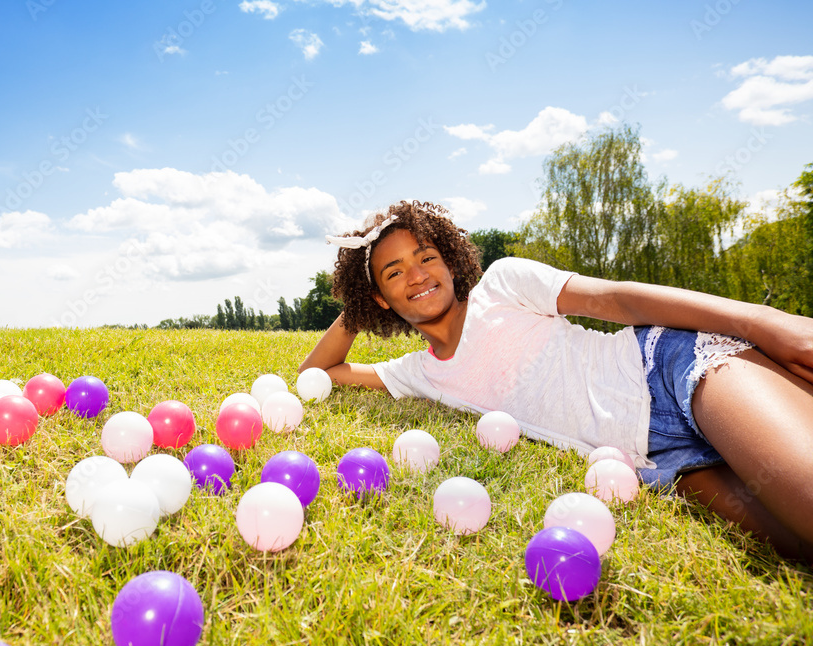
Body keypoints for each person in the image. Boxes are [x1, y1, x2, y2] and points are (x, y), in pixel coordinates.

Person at [299, 200, 813, 562]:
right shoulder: (418, 373)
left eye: (426, 256)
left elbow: (616, 301)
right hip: (663, 464)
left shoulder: (501, 284)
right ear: (381, 298)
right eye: (394, 272)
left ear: (449, 263)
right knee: (796, 548)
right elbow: (318, 374)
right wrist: (360, 298)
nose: (416, 275)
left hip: (673, 371)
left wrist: (765, 322)